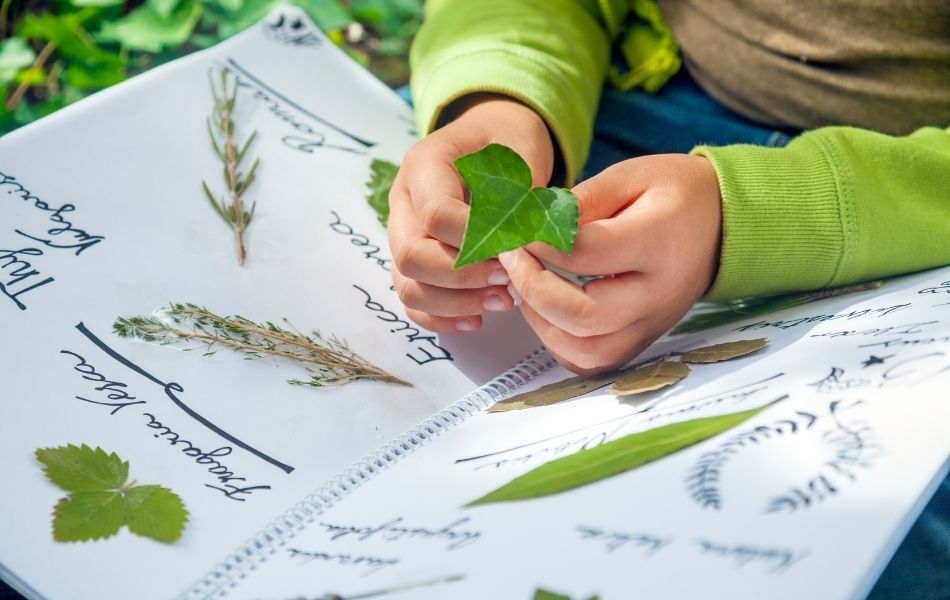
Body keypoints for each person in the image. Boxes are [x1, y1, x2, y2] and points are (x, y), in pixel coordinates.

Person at [385, 1, 950, 598]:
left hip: (911, 197)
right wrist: (503, 95)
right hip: (625, 97)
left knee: (869, 532)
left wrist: (749, 216)